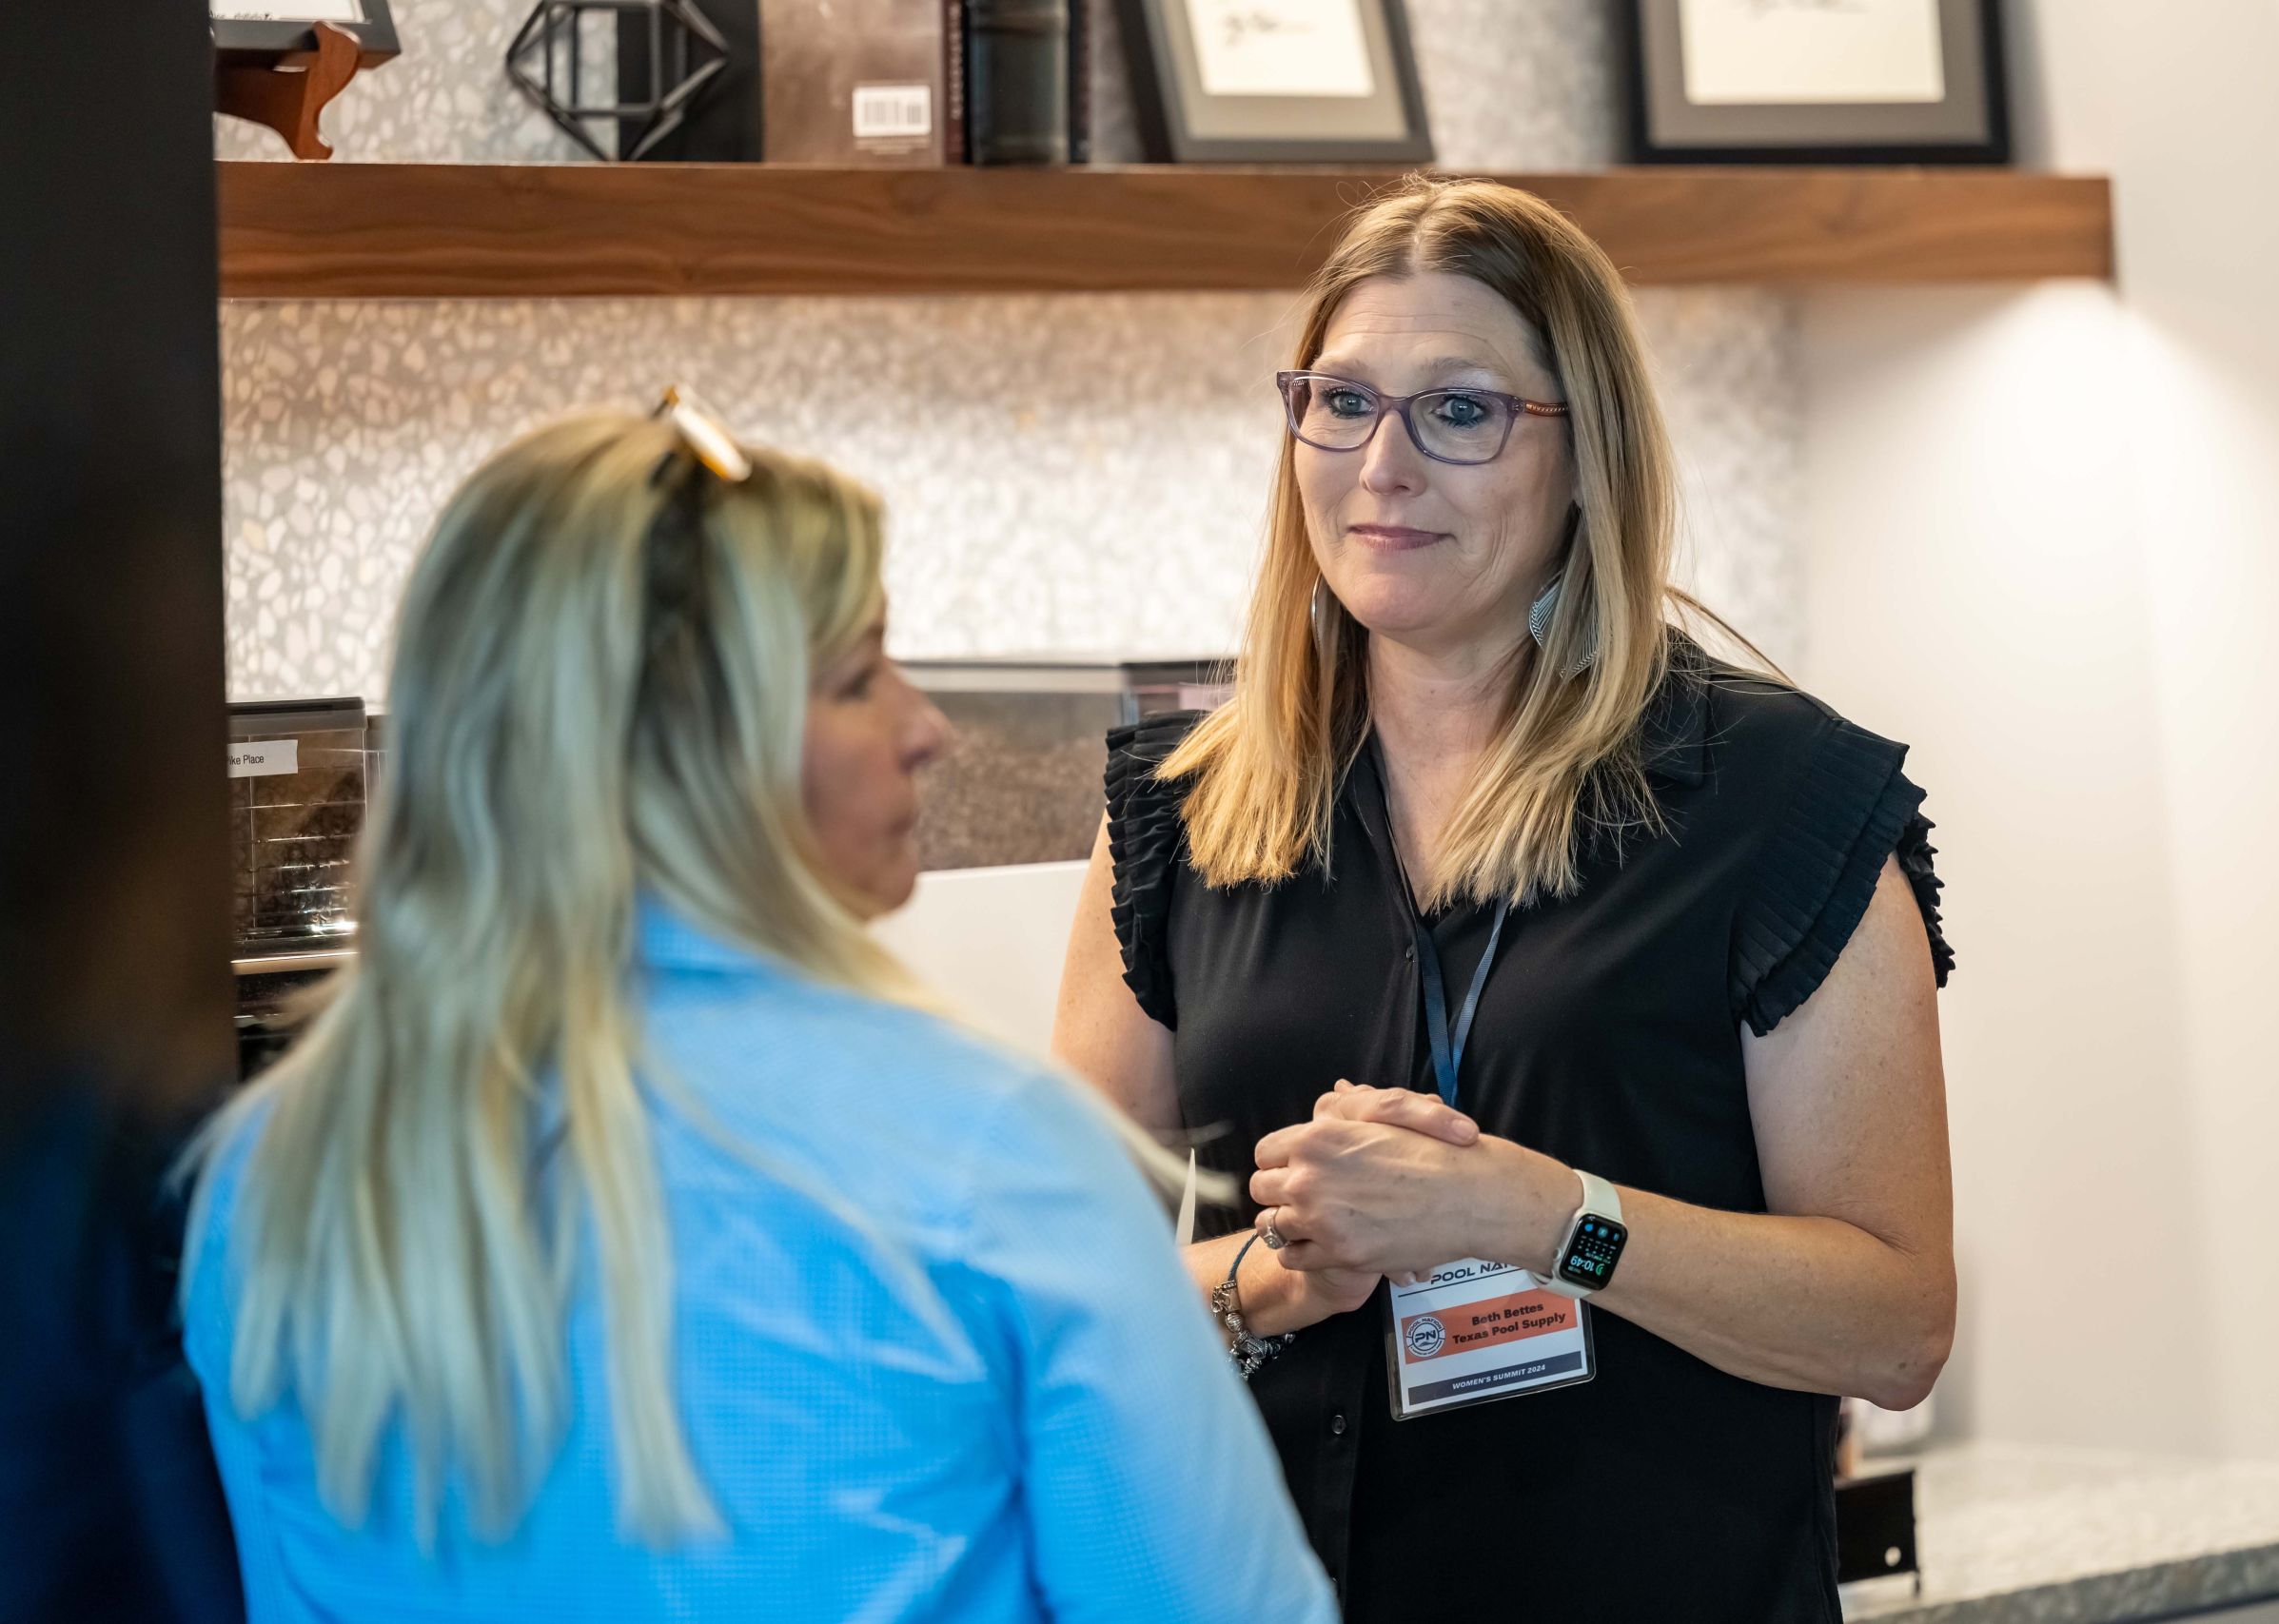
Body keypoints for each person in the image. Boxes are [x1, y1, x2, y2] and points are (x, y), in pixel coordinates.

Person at [181, 395, 1337, 1623]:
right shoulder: (985, 1152)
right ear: (687, 746)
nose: (927, 728)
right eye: (857, 676)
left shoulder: (277, 1171)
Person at [1054, 176, 1957, 1622]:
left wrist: (1538, 1216)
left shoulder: (1776, 801)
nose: (1382, 466)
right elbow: (1068, 1297)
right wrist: (1284, 1273)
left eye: (1459, 412)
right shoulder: (1179, 813)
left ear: (1587, 454)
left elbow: (1894, 1327)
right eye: (1343, 402)